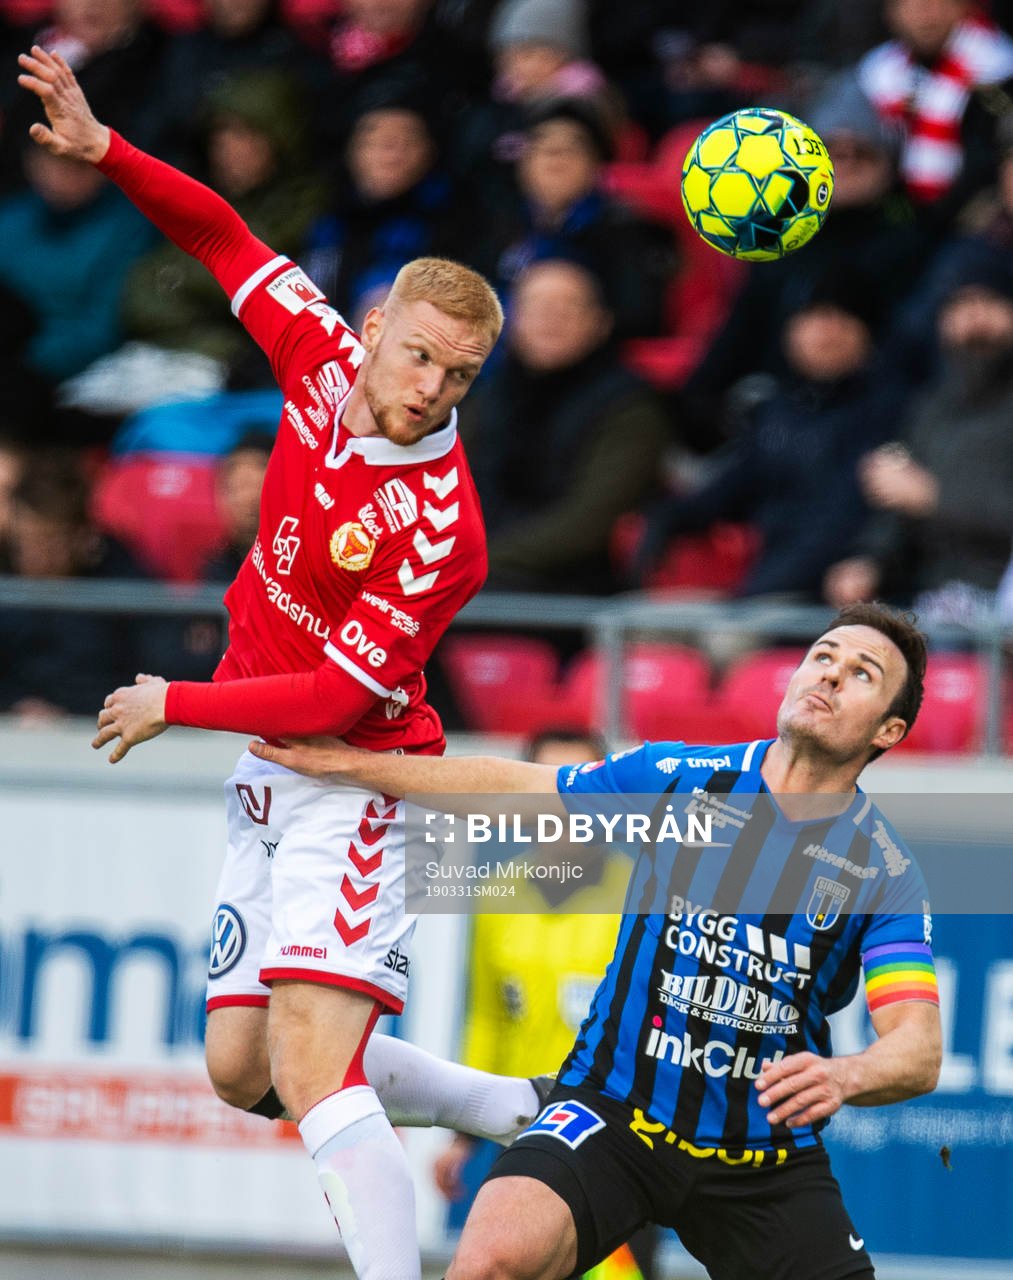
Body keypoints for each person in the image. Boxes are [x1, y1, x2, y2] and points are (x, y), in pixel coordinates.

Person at [17, 45, 544, 1280]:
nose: (427, 390)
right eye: (416, 355)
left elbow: (338, 699)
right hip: (266, 769)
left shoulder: (442, 527)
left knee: (312, 1071)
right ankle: (505, 1105)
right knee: (240, 1071)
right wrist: (108, 150)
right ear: (369, 329)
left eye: (458, 375)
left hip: (359, 781)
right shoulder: (312, 355)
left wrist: (174, 700)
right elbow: (219, 235)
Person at [251, 601, 944, 1280]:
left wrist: (844, 1074)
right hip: (611, 1117)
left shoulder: (881, 872)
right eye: (820, 656)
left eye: (860, 672)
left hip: (761, 1162)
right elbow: (510, 787)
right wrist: (350, 767)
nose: (827, 674)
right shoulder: (680, 783)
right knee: (490, 1261)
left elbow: (916, 1050)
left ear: (886, 730)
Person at [435, 729, 659, 1280]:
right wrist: (461, 1136)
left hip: (621, 1148)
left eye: (583, 791)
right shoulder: (497, 893)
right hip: (527, 1141)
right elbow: (489, 1019)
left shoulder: (646, 896)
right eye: (550, 790)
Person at [461, 255, 670, 594]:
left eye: (568, 307)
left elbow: (588, 524)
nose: (550, 319)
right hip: (479, 570)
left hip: (573, 588)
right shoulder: (484, 396)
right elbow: (443, 490)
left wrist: (477, 562)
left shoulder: (631, 406)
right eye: (537, 306)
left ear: (600, 323)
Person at [825, 257, 1013, 623]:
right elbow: (899, 508)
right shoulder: (930, 408)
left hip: (1001, 604)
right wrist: (870, 562)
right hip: (933, 599)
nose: (975, 319)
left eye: (990, 303)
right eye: (960, 306)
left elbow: (920, 493)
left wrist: (934, 496)